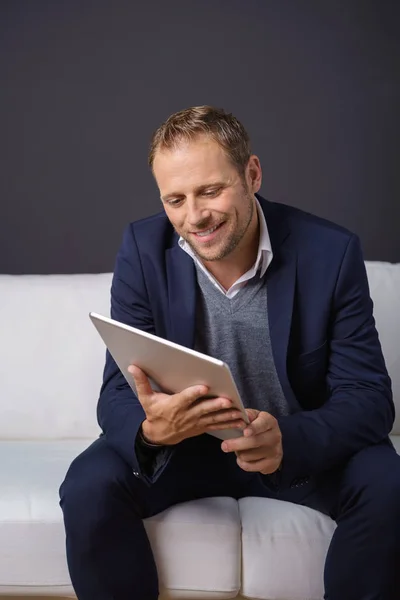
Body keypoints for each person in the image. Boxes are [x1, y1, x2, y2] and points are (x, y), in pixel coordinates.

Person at [59, 105, 400, 600]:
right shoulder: (141, 246)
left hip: (297, 447)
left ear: (252, 174)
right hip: (186, 449)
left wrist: (286, 438)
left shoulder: (331, 251)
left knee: (389, 485)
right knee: (88, 486)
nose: (194, 217)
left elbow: (369, 398)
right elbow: (117, 390)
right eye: (175, 199)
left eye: (211, 191)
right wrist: (152, 431)